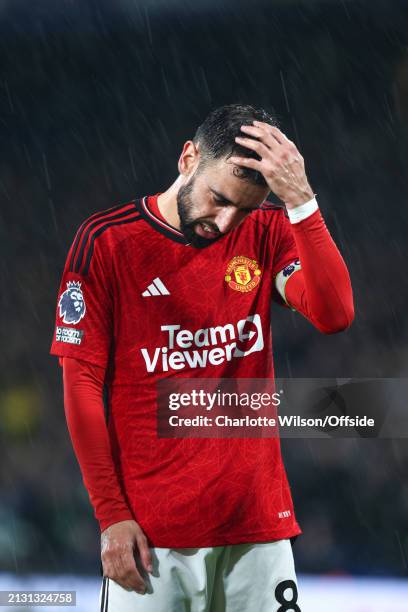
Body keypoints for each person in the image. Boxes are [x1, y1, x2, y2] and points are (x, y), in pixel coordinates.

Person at [50, 104, 354, 611]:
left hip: (258, 529)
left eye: (245, 209)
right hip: (154, 537)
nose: (226, 220)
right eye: (219, 200)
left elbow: (335, 313)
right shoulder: (108, 242)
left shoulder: (268, 232)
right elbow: (80, 387)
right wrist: (110, 515)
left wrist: (301, 201)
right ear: (188, 158)